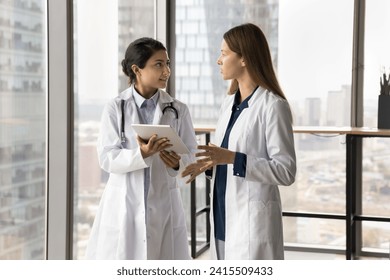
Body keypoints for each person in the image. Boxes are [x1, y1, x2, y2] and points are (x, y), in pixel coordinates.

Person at [182, 23, 296, 260]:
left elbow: (286, 171)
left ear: (244, 58)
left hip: (252, 222)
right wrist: (209, 164)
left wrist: (233, 158)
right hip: (223, 216)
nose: (218, 60)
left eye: (224, 54)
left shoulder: (273, 106)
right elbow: (225, 159)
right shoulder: (228, 104)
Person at [85, 37, 197, 260]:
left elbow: (191, 156)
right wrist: (141, 155)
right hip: (123, 205)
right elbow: (106, 158)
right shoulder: (115, 108)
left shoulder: (178, 110)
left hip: (164, 204)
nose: (167, 70)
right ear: (137, 69)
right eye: (158, 64)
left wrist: (176, 163)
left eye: (167, 63)